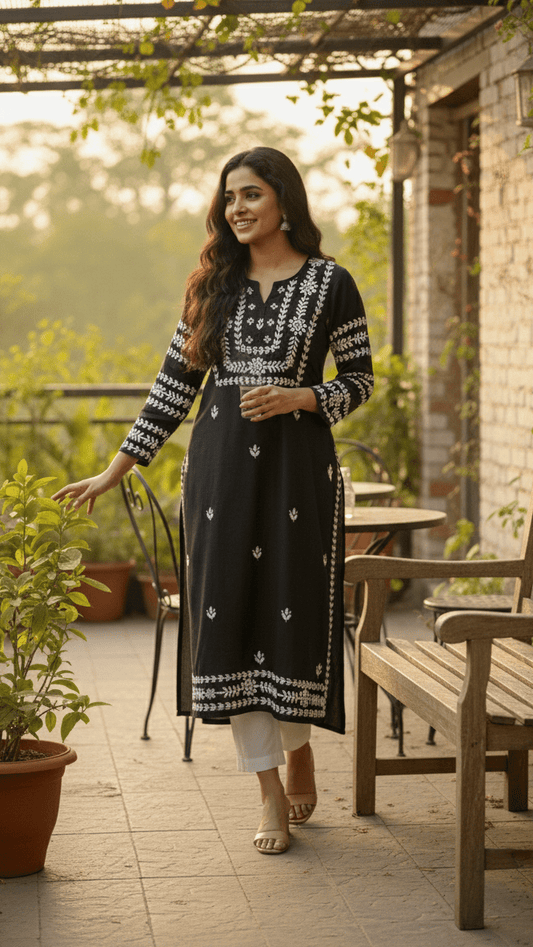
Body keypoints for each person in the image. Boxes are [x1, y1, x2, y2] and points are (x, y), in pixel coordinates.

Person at [53, 146, 373, 855]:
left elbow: (358, 379)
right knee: (227, 620)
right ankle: (266, 790)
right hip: (222, 478)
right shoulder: (212, 288)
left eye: (251, 194)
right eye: (229, 197)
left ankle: (298, 747)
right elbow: (171, 389)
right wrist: (115, 471)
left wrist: (302, 396)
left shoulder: (330, 283)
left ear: (283, 201)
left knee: (289, 617)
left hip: (297, 476)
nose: (237, 208)